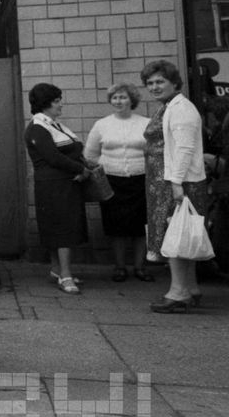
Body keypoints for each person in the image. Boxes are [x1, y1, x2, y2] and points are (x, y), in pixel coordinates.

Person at [141, 60, 208, 313]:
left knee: (175, 235)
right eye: (150, 83)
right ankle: (190, 287)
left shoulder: (181, 109)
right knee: (182, 234)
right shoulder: (169, 106)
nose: (154, 87)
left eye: (160, 81)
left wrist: (177, 183)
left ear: (174, 83)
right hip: (168, 182)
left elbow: (184, 149)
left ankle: (178, 293)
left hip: (178, 182)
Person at [24, 82, 90, 295]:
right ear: (45, 103)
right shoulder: (37, 127)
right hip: (54, 186)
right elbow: (52, 157)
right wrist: (80, 168)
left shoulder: (53, 125)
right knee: (62, 230)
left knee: (61, 228)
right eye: (56, 101)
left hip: (64, 184)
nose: (61, 104)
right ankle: (66, 275)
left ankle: (57, 270)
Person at [83, 83, 152, 283]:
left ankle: (140, 267)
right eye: (114, 98)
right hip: (112, 182)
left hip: (141, 180)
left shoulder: (146, 123)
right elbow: (90, 155)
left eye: (123, 97)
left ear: (132, 100)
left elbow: (154, 152)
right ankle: (120, 267)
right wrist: (99, 176)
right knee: (116, 226)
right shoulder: (102, 124)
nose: (118, 101)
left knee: (141, 226)